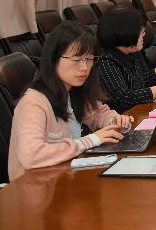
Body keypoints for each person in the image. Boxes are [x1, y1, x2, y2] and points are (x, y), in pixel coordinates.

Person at [8, 22, 134, 180]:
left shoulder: (73, 90)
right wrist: (90, 140)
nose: (84, 67)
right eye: (76, 59)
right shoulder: (33, 102)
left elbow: (97, 113)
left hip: (65, 177)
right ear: (54, 59)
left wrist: (114, 121)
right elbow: (31, 156)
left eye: (89, 59)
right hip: (35, 187)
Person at [97, 7, 156, 113]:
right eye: (141, 32)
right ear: (126, 34)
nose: (144, 35)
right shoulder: (107, 62)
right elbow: (125, 98)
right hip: (127, 116)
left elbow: (136, 82)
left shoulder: (131, 53)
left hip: (141, 109)